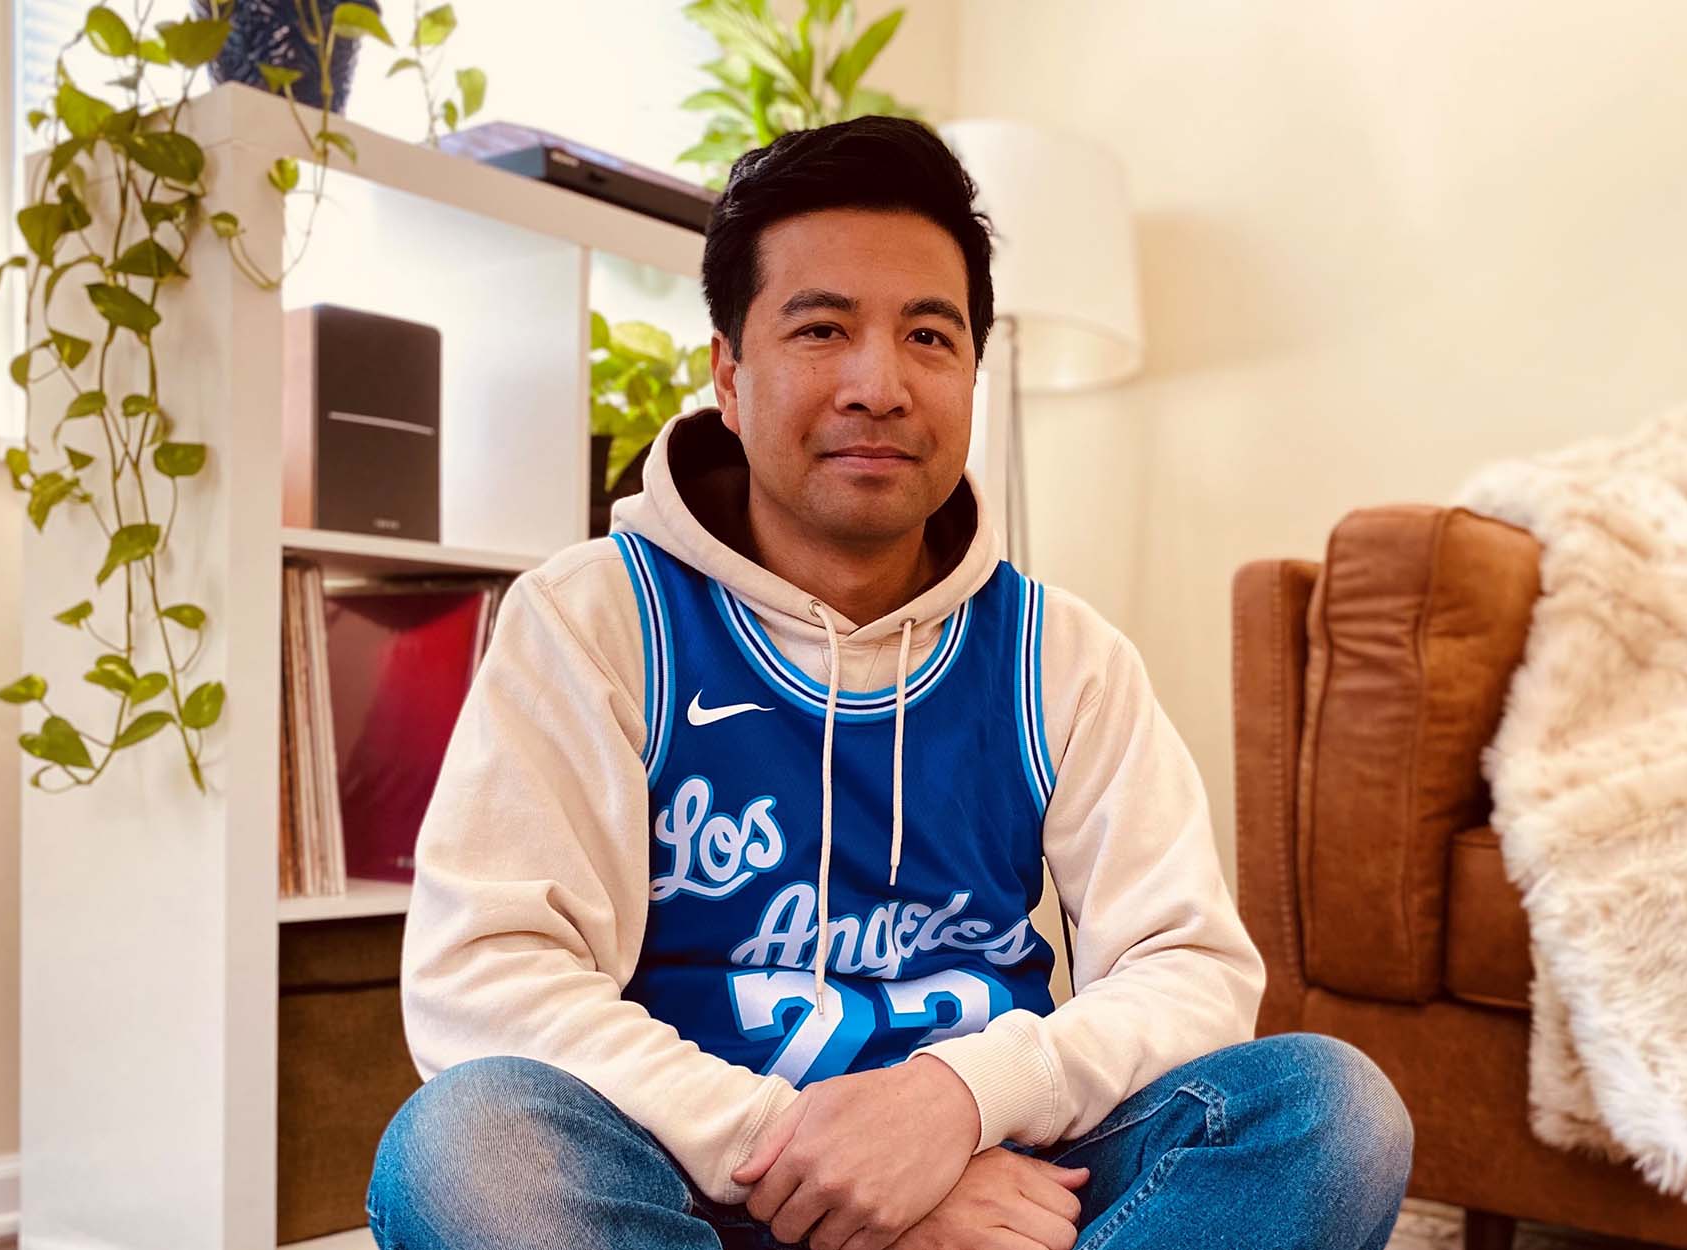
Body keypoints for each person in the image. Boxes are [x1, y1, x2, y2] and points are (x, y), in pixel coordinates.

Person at [366, 116, 1412, 1250]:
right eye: (822, 328)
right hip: (693, 1189)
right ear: (728, 375)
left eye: (927, 335)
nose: (880, 384)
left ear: (970, 373)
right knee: (467, 1147)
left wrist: (955, 1105)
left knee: (1329, 1113)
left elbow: (1190, 969)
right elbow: (488, 976)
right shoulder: (595, 619)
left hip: (1007, 1193)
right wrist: (818, 1159)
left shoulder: (1062, 656)